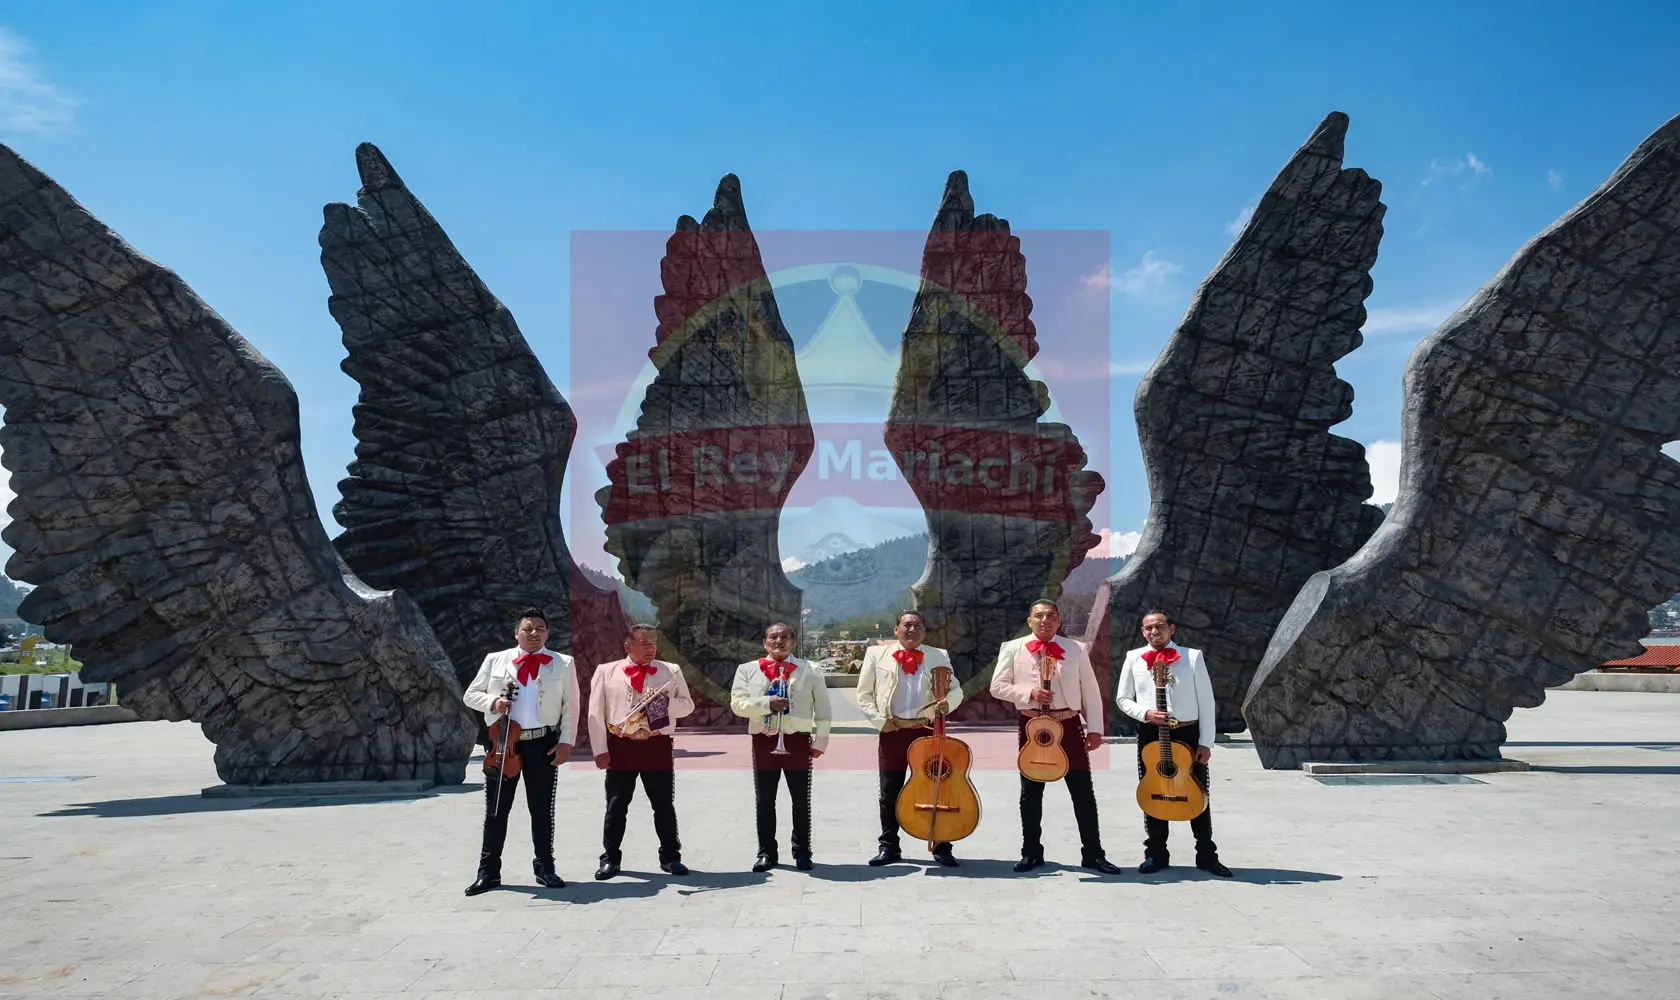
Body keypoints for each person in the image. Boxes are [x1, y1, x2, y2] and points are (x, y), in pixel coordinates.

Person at [989, 599, 1124, 875]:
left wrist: (1095, 728)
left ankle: (1093, 854)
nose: (1045, 620)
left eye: (1051, 616)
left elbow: (1090, 689)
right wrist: (1029, 693)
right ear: (1029, 621)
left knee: (1083, 793)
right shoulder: (1013, 649)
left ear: (1059, 621)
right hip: (1032, 726)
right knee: (1030, 794)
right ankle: (1031, 852)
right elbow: (997, 687)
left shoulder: (1075, 649)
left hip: (1069, 725)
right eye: (1039, 616)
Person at [461, 607, 579, 895]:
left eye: (540, 628)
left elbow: (571, 706)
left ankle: (545, 868)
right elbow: (470, 694)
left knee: (542, 810)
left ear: (547, 633)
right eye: (527, 628)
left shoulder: (562, 663)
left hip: (543, 742)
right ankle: (488, 872)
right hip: (503, 744)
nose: (533, 633)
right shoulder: (496, 660)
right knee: (497, 809)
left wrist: (566, 742)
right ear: (516, 633)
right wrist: (493, 702)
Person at [1115, 609, 1232, 877]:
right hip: (1151, 734)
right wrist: (1145, 714)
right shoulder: (1134, 657)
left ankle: (1206, 854)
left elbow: (1206, 702)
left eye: (1159, 627)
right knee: (1154, 790)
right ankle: (1155, 853)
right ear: (1142, 631)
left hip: (1187, 734)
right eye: (1148, 628)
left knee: (1197, 792)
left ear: (1172, 628)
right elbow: (1123, 699)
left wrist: (1206, 742)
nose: (1154, 632)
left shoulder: (1192, 657)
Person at [855, 610, 965, 866]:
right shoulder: (876, 654)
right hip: (892, 731)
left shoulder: (938, 656)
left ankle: (941, 844)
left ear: (924, 631)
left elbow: (955, 689)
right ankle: (889, 846)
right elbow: (864, 694)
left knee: (936, 787)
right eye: (907, 625)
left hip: (928, 732)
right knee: (889, 790)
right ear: (896, 629)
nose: (912, 630)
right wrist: (881, 722)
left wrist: (947, 703)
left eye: (917, 626)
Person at [587, 623, 696, 880]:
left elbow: (688, 705)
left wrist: (663, 704)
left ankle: (671, 856)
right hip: (620, 744)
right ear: (628, 646)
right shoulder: (606, 671)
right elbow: (595, 713)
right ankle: (610, 858)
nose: (651, 648)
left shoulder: (670, 670)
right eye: (644, 643)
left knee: (663, 804)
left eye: (654, 643)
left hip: (656, 744)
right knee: (616, 805)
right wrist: (600, 750)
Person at [729, 621, 833, 871]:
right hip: (764, 740)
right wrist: (766, 703)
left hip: (797, 740)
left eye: (784, 637)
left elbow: (824, 711)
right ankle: (766, 852)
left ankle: (802, 851)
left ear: (792, 641)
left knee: (801, 800)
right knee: (765, 799)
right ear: (765, 643)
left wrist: (820, 742)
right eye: (773, 637)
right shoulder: (747, 669)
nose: (778, 641)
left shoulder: (811, 669)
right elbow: (737, 704)